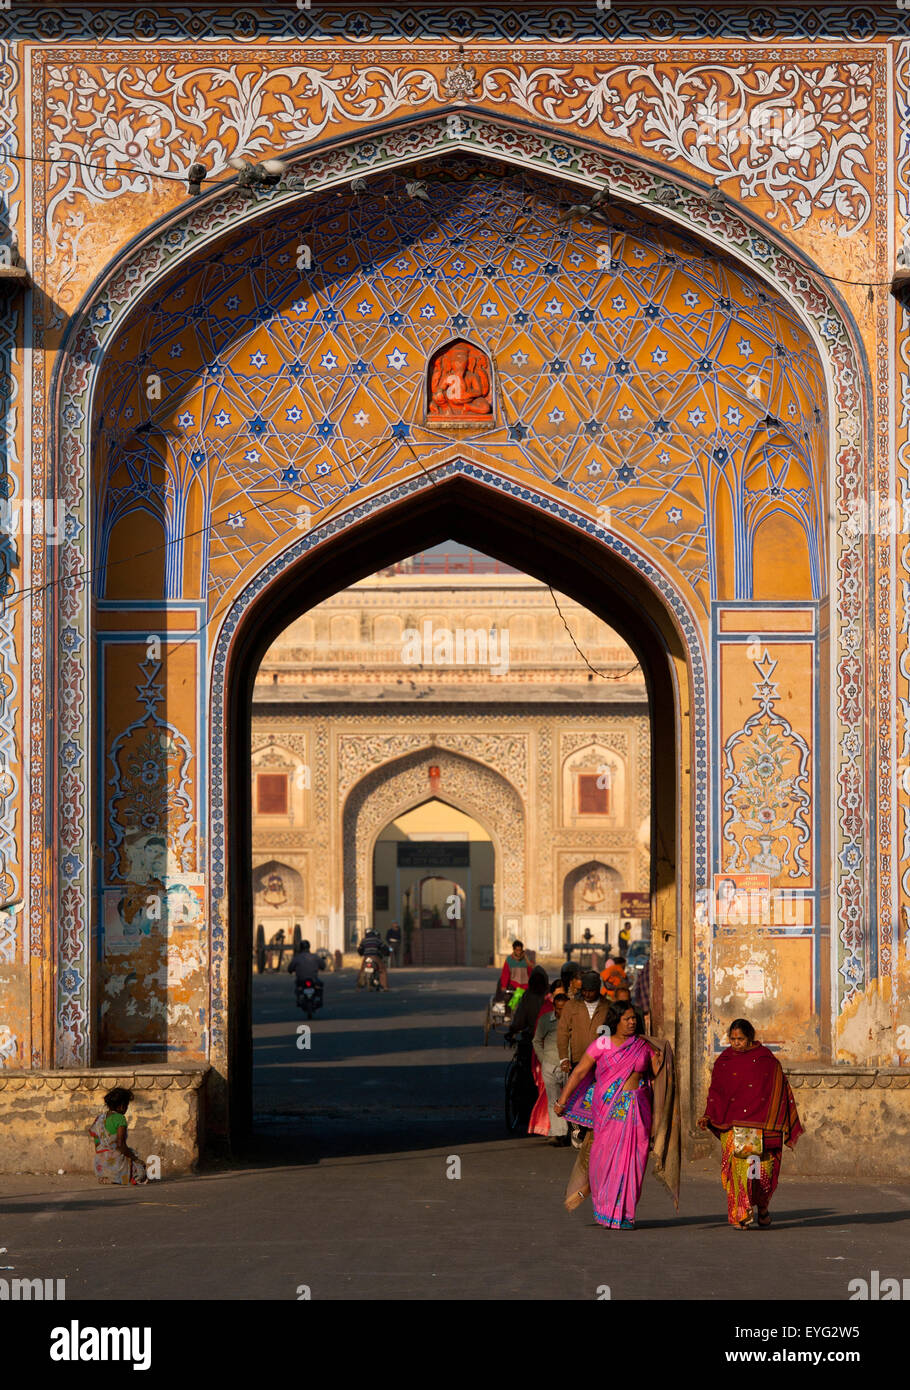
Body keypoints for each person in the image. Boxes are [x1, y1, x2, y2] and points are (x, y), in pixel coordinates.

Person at [555, 1001, 662, 1227]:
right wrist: (562, 1100)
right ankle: (606, 1210)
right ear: (616, 1021)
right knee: (604, 1160)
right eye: (627, 1018)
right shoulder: (602, 1043)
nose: (632, 1022)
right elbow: (580, 1072)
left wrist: (664, 1059)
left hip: (638, 1111)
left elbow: (657, 1075)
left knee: (635, 1161)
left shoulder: (643, 1046)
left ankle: (626, 1213)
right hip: (608, 1111)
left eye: (634, 1018)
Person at [698, 1018, 803, 1229]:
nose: (736, 1043)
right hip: (732, 1126)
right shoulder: (724, 1061)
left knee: (762, 1172)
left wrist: (778, 1122)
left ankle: (762, 1208)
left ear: (750, 1038)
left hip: (761, 1127)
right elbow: (716, 1093)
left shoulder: (766, 1060)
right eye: (733, 1039)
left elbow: (778, 1089)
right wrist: (709, 1115)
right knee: (738, 1170)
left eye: (741, 1039)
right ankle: (741, 1214)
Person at [557, 970, 610, 1197]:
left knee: (597, 1095)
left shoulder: (607, 1007)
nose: (588, 994)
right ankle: (579, 1127)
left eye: (591, 990)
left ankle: (593, 1129)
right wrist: (564, 1057)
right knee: (580, 1095)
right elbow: (562, 1032)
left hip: (603, 1060)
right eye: (585, 991)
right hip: (580, 1058)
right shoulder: (571, 1006)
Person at [87, 1087, 148, 1186]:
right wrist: (136, 1159)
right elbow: (121, 1145)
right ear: (121, 1106)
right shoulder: (120, 1119)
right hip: (117, 1163)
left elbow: (97, 1143)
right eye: (127, 1105)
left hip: (100, 1165)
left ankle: (108, 1177)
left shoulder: (99, 1118)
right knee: (141, 1171)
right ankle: (120, 1178)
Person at [533, 991, 570, 1145]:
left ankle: (569, 1132)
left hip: (568, 1066)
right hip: (550, 1064)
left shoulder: (573, 1021)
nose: (562, 1012)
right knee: (553, 1100)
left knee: (568, 1099)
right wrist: (544, 1061)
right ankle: (558, 1133)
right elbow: (536, 1041)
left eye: (565, 1008)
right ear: (554, 1007)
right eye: (559, 1008)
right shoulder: (545, 1020)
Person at [287, 938, 324, 1006]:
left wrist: (292, 970)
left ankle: (298, 999)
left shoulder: (297, 958)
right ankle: (320, 999)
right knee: (320, 985)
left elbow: (290, 969)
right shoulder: (315, 957)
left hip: (301, 980)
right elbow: (323, 966)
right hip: (313, 979)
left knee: (297, 986)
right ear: (309, 947)